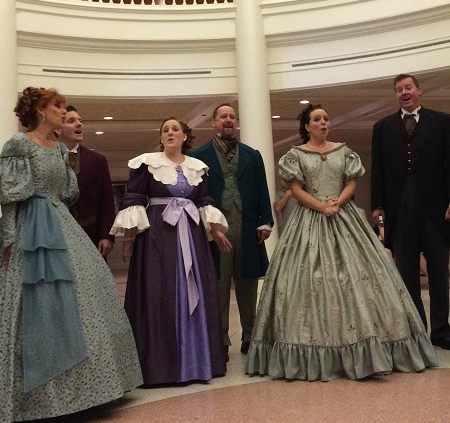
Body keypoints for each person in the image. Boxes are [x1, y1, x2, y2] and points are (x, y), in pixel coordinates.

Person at [246, 104, 437, 381]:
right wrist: (321, 207)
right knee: (307, 279)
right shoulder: (295, 155)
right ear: (307, 126)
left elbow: (351, 183)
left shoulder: (343, 151)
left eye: (325, 118)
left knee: (360, 276)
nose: (323, 122)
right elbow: (295, 189)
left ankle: (373, 347)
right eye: (316, 119)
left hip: (343, 214)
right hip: (309, 218)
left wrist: (338, 201)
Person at [0, 87, 142, 423]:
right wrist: (6, 241)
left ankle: (88, 390)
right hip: (30, 230)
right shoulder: (18, 145)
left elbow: (66, 193)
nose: (63, 112)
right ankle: (36, 397)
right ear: (38, 110)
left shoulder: (60, 148)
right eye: (57, 107)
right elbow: (8, 197)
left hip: (62, 223)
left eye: (64, 107)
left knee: (86, 293)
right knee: (37, 303)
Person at [110, 117, 230, 385]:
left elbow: (203, 201)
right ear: (161, 138)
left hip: (192, 235)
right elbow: (136, 200)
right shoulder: (146, 163)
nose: (170, 133)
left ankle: (197, 362)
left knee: (196, 290)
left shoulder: (198, 167)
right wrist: (129, 239)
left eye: (175, 129)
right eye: (165, 130)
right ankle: (161, 367)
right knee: (160, 291)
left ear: (185, 136)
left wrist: (217, 230)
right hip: (157, 237)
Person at [371, 73, 450, 350]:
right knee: (406, 273)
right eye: (399, 89)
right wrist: (378, 205)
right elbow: (377, 169)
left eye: (408, 87)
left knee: (439, 271)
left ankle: (441, 331)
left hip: (435, 207)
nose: (404, 92)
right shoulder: (382, 127)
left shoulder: (442, 122)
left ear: (419, 90)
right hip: (399, 206)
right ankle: (417, 332)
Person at [190, 104, 273, 356]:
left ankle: (250, 336)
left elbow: (262, 188)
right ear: (213, 122)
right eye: (223, 116)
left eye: (232, 117)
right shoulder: (199, 156)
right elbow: (196, 193)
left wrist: (265, 220)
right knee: (218, 283)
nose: (228, 120)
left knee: (247, 282)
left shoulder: (252, 155)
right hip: (215, 229)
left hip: (247, 226)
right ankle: (220, 339)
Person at [56, 105, 116, 259]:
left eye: (80, 120)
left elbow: (107, 201)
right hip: (56, 233)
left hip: (91, 235)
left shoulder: (97, 160)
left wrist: (107, 235)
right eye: (71, 121)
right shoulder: (48, 158)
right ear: (58, 129)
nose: (79, 124)